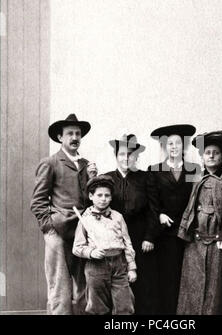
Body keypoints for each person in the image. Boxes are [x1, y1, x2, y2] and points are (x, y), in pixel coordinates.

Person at [30, 113, 97, 315]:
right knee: (59, 288)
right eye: (70, 134)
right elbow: (37, 202)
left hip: (82, 233)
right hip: (58, 234)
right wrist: (50, 228)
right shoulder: (50, 163)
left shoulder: (87, 165)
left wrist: (93, 178)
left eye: (78, 133)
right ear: (60, 138)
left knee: (83, 287)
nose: (75, 137)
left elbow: (91, 198)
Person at [177, 131, 222, 315]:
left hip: (219, 245)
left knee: (214, 293)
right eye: (207, 152)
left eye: (215, 152)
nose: (211, 156)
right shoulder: (195, 179)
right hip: (195, 245)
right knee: (192, 292)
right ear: (202, 155)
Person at [148, 124, 200, 314]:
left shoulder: (193, 169)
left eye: (178, 143)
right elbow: (152, 201)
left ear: (183, 146)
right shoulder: (155, 170)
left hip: (188, 232)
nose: (174, 147)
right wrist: (160, 214)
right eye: (170, 143)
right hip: (166, 233)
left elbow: (196, 197)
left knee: (187, 277)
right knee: (167, 276)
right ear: (165, 146)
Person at [105, 134, 159, 314]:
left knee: (142, 283)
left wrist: (149, 237)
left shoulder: (145, 178)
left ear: (136, 157)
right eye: (121, 154)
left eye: (130, 154)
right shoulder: (107, 179)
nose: (126, 158)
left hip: (139, 238)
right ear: (116, 156)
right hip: (114, 239)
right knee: (117, 283)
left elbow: (153, 209)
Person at [72, 175, 137, 315]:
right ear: (91, 196)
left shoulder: (118, 217)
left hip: (119, 266)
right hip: (96, 266)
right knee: (97, 308)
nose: (103, 199)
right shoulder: (85, 219)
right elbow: (77, 248)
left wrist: (132, 268)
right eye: (99, 195)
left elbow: (127, 244)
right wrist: (91, 252)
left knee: (125, 306)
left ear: (111, 197)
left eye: (107, 195)